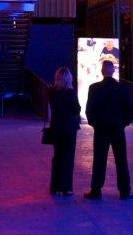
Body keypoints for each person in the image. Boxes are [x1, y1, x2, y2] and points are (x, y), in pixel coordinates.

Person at [84, 59, 132, 200]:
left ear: (102, 71)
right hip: (117, 129)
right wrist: (123, 124)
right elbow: (128, 110)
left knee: (99, 160)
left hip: (101, 130)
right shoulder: (123, 88)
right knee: (121, 160)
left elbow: (89, 110)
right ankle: (124, 191)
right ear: (113, 71)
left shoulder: (94, 88)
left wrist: (95, 124)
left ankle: (96, 190)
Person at [48, 66, 81, 197]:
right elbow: (77, 109)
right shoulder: (70, 93)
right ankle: (66, 187)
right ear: (69, 78)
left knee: (57, 157)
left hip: (56, 127)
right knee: (68, 157)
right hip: (69, 128)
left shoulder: (51, 91)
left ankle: (54, 187)